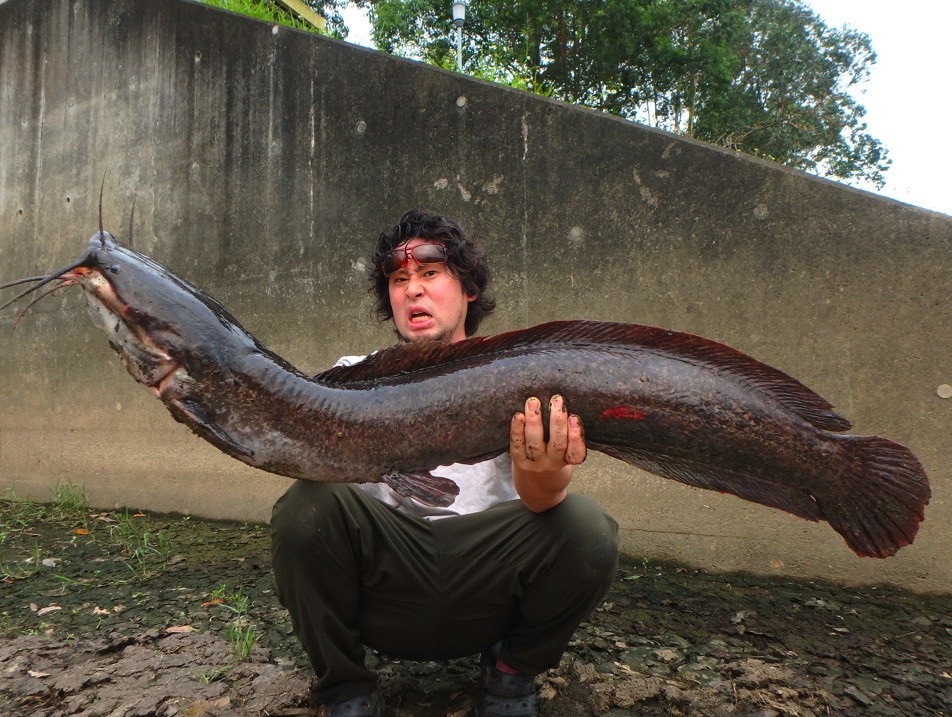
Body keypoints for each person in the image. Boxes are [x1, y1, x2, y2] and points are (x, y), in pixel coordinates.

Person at [271, 209, 619, 717]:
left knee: (587, 526)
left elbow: (541, 502)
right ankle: (346, 688)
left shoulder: (517, 376)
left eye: (430, 273)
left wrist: (545, 472)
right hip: (388, 591)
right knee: (305, 505)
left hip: (484, 588)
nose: (413, 290)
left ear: (468, 289)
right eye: (398, 279)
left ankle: (510, 674)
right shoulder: (347, 380)